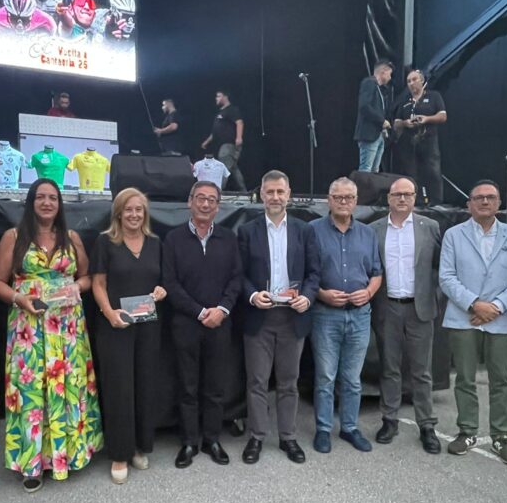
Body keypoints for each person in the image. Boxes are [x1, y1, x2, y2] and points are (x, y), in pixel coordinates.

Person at [0, 178, 103, 491]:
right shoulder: (14, 237)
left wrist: (72, 288)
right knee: (31, 392)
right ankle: (33, 463)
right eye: (40, 197)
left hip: (67, 329)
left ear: (59, 203)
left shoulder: (71, 238)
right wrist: (20, 298)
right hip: (29, 327)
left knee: (68, 388)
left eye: (52, 198)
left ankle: (67, 456)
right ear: (31, 201)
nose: (46, 203)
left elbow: (87, 277)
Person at [438, 180, 507, 464]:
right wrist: (475, 304)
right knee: (464, 378)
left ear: (499, 203)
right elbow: (446, 276)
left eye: (491, 197)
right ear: (469, 204)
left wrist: (496, 307)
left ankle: (501, 436)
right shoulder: (453, 234)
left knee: (501, 380)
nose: (485, 202)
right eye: (478, 198)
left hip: (501, 319)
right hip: (464, 317)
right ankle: (467, 431)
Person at [238, 171, 320, 464]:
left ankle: (288, 437)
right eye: (269, 192)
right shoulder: (247, 231)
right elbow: (240, 274)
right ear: (261, 194)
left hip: (292, 318)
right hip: (259, 317)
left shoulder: (304, 230)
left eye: (280, 192)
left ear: (289, 194)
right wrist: (251, 295)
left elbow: (314, 273)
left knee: (289, 381)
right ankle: (257, 437)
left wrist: (308, 298)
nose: (275, 197)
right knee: (257, 381)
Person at [163, 180, 243, 468]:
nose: (206, 204)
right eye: (201, 198)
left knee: (214, 387)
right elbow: (170, 284)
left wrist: (221, 309)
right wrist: (199, 312)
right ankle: (188, 442)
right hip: (186, 325)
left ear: (218, 206)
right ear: (190, 201)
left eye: (212, 200)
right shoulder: (172, 239)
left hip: (220, 324)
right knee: (187, 386)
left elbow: (236, 279)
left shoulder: (228, 238)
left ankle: (212, 439)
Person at [90, 188, 167, 484]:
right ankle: (119, 454)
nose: (134, 215)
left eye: (139, 210)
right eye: (128, 210)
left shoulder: (155, 243)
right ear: (118, 213)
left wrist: (161, 290)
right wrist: (109, 313)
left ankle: (139, 446)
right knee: (119, 389)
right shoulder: (104, 242)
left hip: (148, 325)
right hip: (115, 326)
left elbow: (161, 282)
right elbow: (98, 283)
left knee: (145, 385)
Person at [309, 178, 383, 454]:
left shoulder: (367, 234)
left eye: (348, 197)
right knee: (326, 376)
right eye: (338, 197)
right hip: (325, 314)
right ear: (328, 200)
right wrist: (322, 294)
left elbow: (377, 272)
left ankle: (350, 428)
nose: (343, 202)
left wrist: (369, 292)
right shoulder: (312, 231)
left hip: (360, 314)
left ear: (356, 200)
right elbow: (304, 274)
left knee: (352, 378)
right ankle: (324, 429)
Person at [373, 177, 443, 453]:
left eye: (408, 194)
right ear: (388, 198)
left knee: (421, 371)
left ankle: (427, 424)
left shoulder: (431, 227)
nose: (402, 199)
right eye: (397, 194)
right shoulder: (374, 229)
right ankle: (389, 419)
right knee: (389, 367)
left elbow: (440, 266)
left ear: (415, 198)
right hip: (387, 306)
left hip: (420, 307)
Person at [392, 69, 447, 205]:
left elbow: (442, 116)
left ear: (422, 81)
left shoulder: (434, 96)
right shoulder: (405, 101)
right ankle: (417, 200)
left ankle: (436, 201)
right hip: (409, 141)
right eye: (408, 81)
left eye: (414, 79)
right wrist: (405, 123)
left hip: (428, 139)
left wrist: (426, 119)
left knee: (432, 170)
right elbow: (396, 123)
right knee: (411, 172)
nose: (411, 83)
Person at [200, 89, 247, 192]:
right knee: (234, 169)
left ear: (225, 97)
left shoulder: (232, 109)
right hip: (222, 145)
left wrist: (239, 137)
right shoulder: (220, 113)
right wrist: (207, 142)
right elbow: (215, 131)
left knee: (223, 168)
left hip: (229, 145)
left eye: (219, 96)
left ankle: (217, 192)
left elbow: (239, 122)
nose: (216, 98)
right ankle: (244, 192)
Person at [354, 60, 394, 173]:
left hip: (378, 134)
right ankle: (362, 190)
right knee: (366, 168)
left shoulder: (379, 89)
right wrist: (382, 121)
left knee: (374, 170)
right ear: (383, 72)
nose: (390, 77)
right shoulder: (369, 82)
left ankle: (371, 190)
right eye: (389, 74)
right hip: (369, 134)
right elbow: (364, 106)